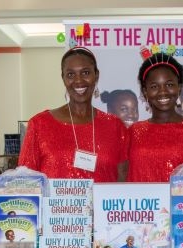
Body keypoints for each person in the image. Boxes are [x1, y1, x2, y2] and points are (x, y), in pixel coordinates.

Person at [18, 47, 128, 182]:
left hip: (102, 204)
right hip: (55, 204)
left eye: (86, 72)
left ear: (96, 75)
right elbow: (25, 182)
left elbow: (123, 182)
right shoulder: (39, 124)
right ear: (63, 78)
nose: (78, 81)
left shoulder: (115, 126)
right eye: (70, 74)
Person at [126, 51, 183, 183]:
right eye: (154, 86)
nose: (163, 92)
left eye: (169, 85)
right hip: (140, 203)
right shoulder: (133, 132)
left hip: (180, 204)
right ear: (145, 92)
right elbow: (121, 179)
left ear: (179, 88)